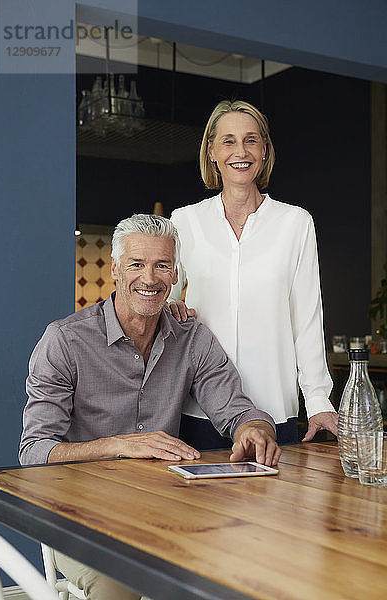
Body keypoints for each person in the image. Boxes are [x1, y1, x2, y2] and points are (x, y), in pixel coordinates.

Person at [19, 213, 281, 600]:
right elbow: (33, 452)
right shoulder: (64, 342)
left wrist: (254, 428)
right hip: (80, 516)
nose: (150, 278)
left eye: (162, 266)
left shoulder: (193, 339)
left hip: (168, 511)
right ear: (116, 270)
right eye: (137, 264)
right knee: (119, 584)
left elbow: (237, 409)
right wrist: (120, 444)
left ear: (175, 275)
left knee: (240, 564)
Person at [168, 99, 338, 449]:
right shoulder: (184, 221)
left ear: (264, 150)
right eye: (228, 141)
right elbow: (163, 298)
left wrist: (318, 400)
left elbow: (306, 318)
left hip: (275, 411)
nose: (240, 151)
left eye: (250, 140)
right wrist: (172, 306)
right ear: (212, 151)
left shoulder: (296, 223)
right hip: (200, 410)